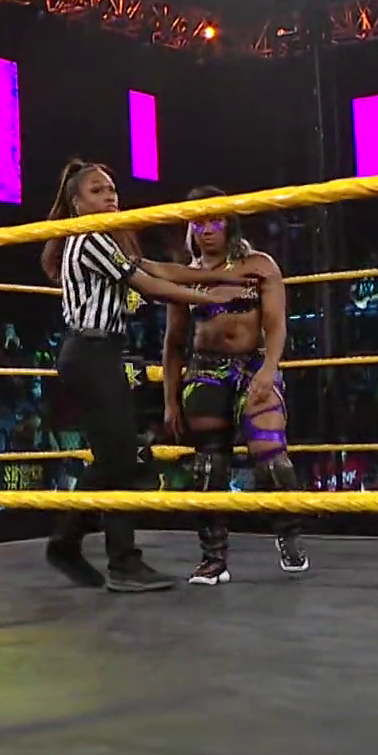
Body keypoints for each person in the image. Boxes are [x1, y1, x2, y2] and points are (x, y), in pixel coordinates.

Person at [38, 160, 251, 593]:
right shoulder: (90, 238)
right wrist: (207, 298)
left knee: (115, 457)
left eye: (111, 189)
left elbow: (156, 269)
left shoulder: (103, 241)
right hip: (91, 352)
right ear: (76, 203)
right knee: (121, 460)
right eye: (97, 191)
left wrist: (218, 276)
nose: (109, 197)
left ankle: (68, 541)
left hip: (98, 353)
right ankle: (119, 561)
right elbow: (149, 286)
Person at [161, 187, 307, 585]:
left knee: (270, 451)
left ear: (229, 224)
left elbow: (276, 325)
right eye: (199, 222)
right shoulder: (185, 274)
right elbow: (173, 343)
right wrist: (170, 399)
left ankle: (289, 534)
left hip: (253, 364)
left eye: (215, 220)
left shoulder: (258, 265)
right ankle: (213, 559)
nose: (207, 229)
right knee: (209, 465)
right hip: (205, 370)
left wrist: (269, 369)